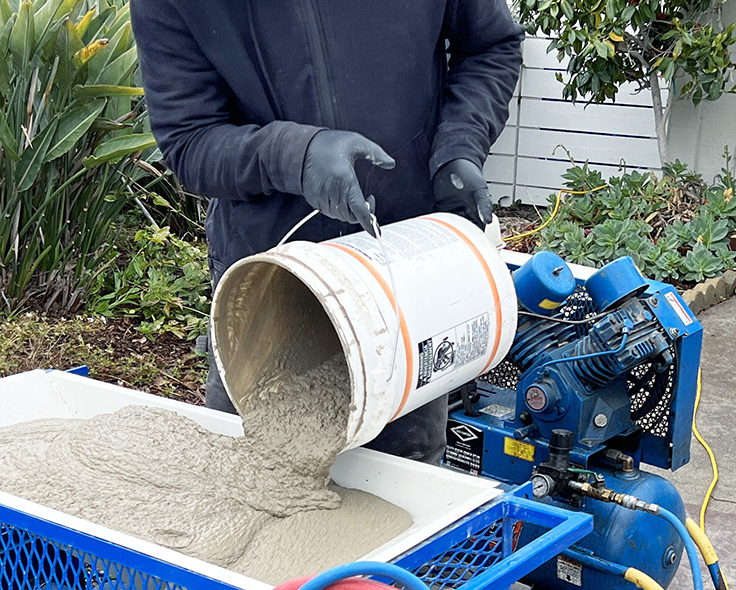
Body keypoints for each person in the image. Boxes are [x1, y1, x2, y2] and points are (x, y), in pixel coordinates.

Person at [130, 0, 524, 465]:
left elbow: (491, 46)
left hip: (400, 276)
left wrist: (459, 146)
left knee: (403, 481)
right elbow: (190, 137)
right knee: (250, 477)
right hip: (271, 286)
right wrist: (294, 155)